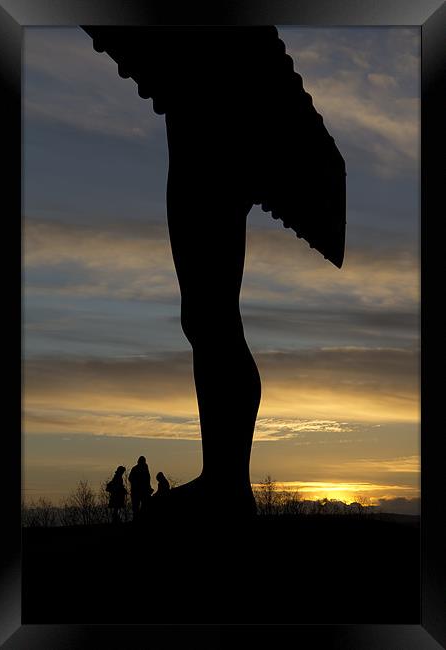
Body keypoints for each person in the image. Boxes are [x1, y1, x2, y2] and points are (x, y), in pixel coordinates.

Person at [82, 26, 346, 517]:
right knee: (206, 315)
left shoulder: (219, 70)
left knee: (210, 314)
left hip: (216, 125)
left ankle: (227, 481)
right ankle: (225, 477)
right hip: (207, 122)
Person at [128, 456, 154, 521]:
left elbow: (147, 480)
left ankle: (140, 518)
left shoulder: (144, 469)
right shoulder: (139, 469)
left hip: (141, 491)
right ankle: (137, 518)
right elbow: (130, 478)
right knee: (137, 507)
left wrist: (149, 488)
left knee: (142, 506)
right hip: (138, 491)